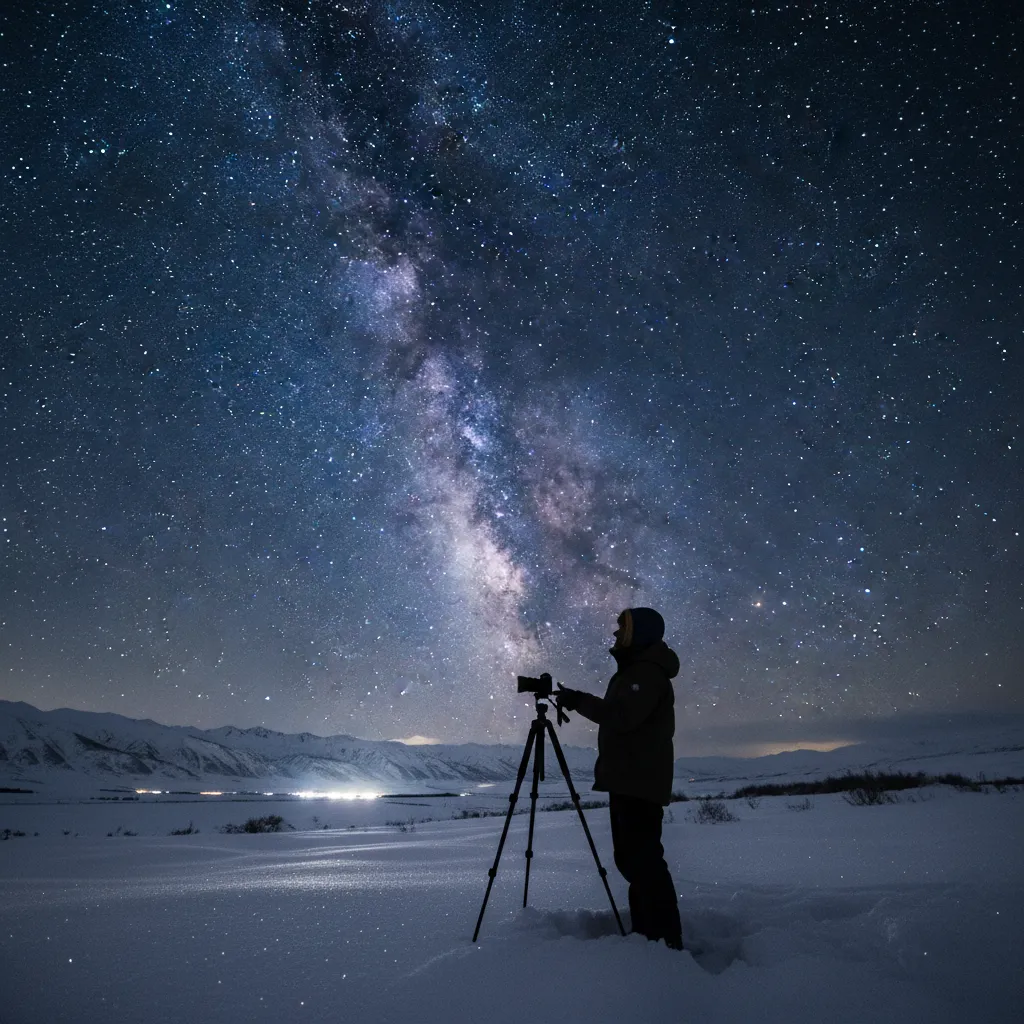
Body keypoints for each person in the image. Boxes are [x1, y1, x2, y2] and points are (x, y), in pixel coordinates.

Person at [556, 607, 683, 950]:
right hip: (630, 779)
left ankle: (664, 941)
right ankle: (649, 935)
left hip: (638, 782)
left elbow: (621, 716)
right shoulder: (637, 671)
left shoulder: (646, 673)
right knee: (633, 861)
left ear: (638, 634)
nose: (615, 635)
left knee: (643, 862)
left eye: (622, 629)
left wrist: (578, 701)